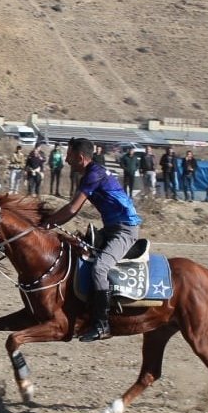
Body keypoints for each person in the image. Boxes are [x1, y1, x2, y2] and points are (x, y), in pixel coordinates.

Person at [39, 138, 143, 342]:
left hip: (125, 231)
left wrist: (46, 225)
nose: (67, 160)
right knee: (78, 251)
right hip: (111, 229)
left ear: (80, 157)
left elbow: (72, 209)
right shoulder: (91, 172)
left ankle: (102, 325)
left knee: (100, 268)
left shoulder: (94, 173)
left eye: (69, 156)